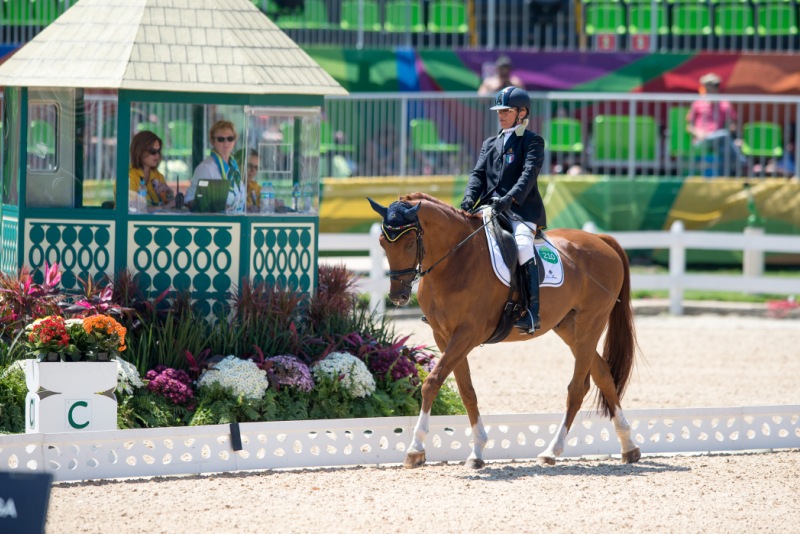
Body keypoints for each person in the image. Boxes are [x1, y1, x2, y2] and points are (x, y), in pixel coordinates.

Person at [461, 86, 546, 334]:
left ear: (522, 113)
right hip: (490, 207)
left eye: (506, 111)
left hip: (520, 211)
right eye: (499, 110)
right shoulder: (490, 143)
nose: (501, 115)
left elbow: (528, 176)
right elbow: (478, 174)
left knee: (522, 245)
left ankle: (532, 310)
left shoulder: (532, 141)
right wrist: (469, 199)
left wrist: (509, 199)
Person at [686, 72, 746, 177]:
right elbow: (689, 126)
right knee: (724, 135)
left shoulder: (725, 104)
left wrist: (736, 138)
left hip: (719, 141)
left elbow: (731, 126)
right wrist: (699, 132)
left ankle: (721, 178)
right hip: (702, 140)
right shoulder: (698, 103)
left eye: (711, 87)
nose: (708, 90)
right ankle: (741, 162)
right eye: (706, 88)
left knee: (725, 148)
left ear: (716, 88)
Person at [185, 120, 246, 212]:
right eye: (221, 139)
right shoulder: (206, 168)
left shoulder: (234, 167)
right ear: (213, 141)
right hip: (216, 223)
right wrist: (218, 205)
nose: (226, 143)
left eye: (230, 138)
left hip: (236, 220)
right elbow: (189, 200)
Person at [128, 130, 175, 210]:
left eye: (158, 151)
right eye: (153, 152)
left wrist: (169, 192)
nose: (157, 155)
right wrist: (163, 208)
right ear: (140, 151)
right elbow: (131, 208)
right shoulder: (129, 175)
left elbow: (170, 202)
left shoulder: (158, 176)